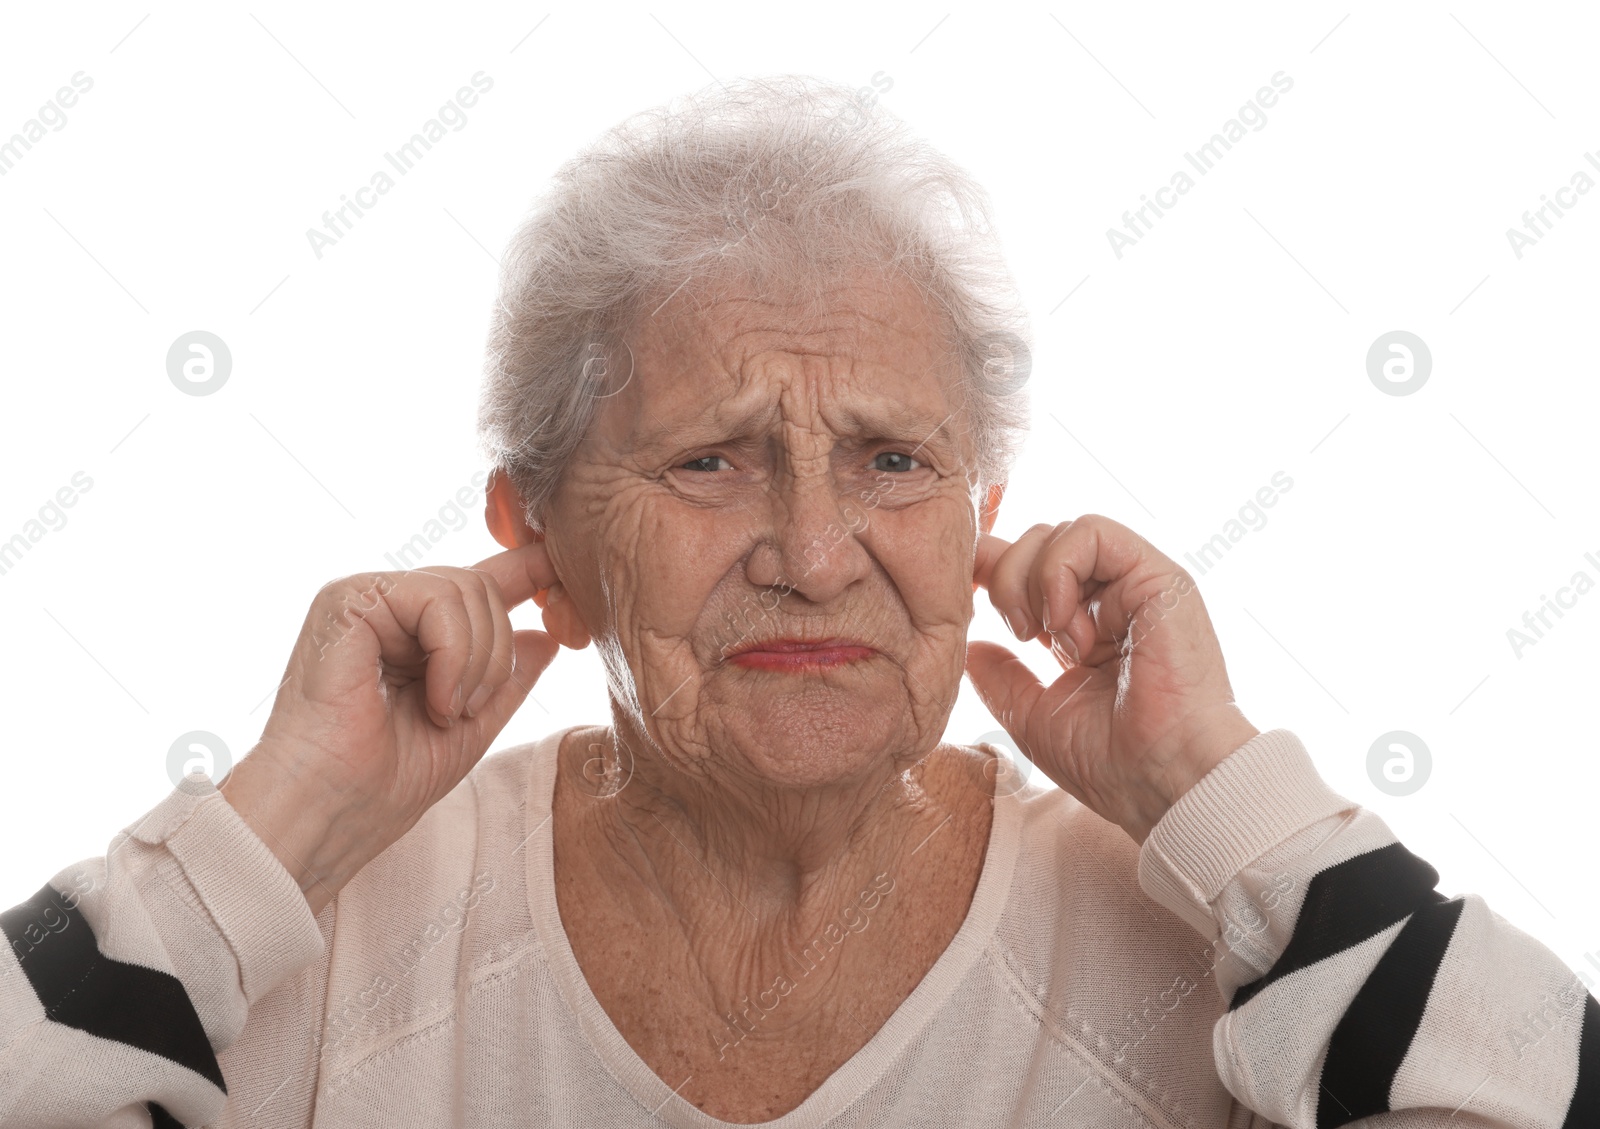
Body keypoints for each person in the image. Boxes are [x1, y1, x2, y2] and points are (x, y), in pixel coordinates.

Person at [2, 75, 1594, 1129]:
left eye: (894, 459)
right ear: (534, 530)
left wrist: (1222, 796)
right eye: (711, 461)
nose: (817, 549)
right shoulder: (320, 939)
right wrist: (274, 827)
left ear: (984, 512)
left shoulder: (1210, 953)